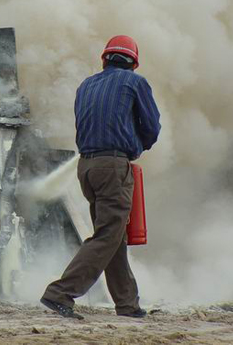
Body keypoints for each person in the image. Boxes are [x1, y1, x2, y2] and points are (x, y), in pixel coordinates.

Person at [40, 35, 161, 320]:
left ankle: (127, 304)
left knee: (113, 236)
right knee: (108, 235)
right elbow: (152, 127)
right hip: (112, 167)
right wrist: (136, 148)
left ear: (105, 59)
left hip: (86, 167)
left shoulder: (86, 85)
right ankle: (60, 292)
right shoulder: (135, 82)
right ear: (133, 63)